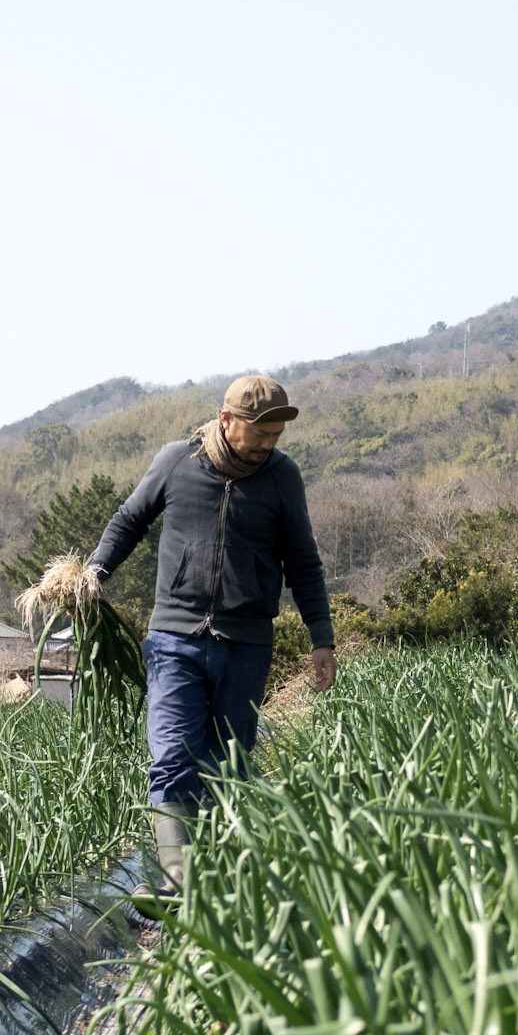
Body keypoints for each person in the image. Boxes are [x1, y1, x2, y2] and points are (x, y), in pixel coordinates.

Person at [88, 374, 337, 892]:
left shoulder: (281, 477)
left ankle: (219, 879)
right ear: (227, 421)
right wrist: (92, 575)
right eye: (260, 431)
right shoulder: (177, 461)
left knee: (229, 763)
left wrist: (322, 637)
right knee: (172, 753)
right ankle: (177, 879)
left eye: (277, 433)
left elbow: (304, 563)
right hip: (175, 638)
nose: (270, 442)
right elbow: (128, 520)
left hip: (246, 643)